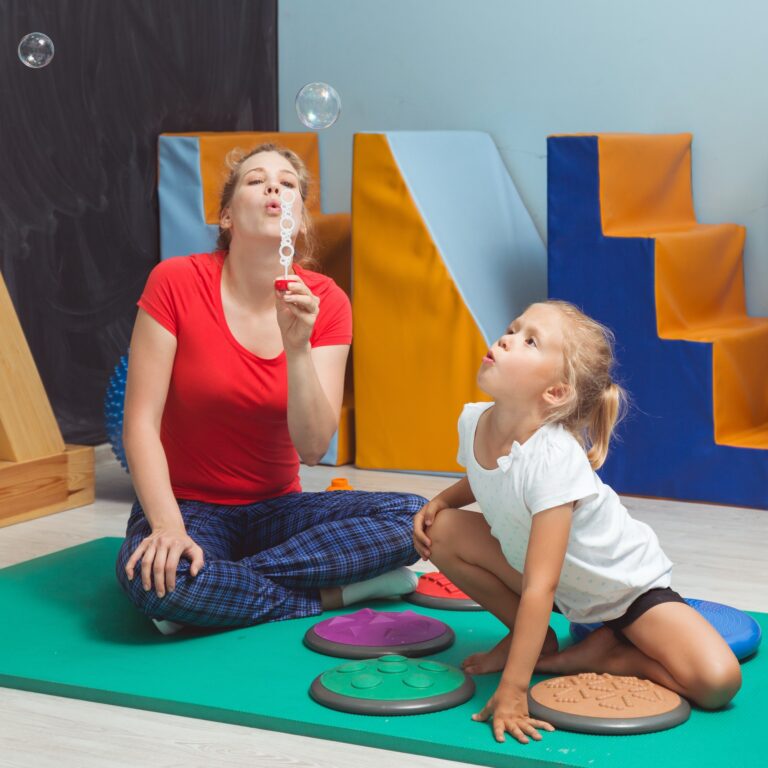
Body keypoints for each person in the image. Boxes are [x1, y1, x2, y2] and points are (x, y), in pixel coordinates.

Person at [116, 143, 424, 633]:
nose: (274, 186)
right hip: (188, 506)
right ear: (226, 216)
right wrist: (169, 528)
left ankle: (208, 593)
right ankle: (331, 592)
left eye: (288, 184)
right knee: (156, 575)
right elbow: (139, 425)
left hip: (277, 511)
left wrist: (297, 346)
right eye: (256, 180)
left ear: (299, 221)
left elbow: (313, 448)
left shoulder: (326, 301)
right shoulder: (174, 281)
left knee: (418, 517)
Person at [413, 300, 741, 744]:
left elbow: (540, 587)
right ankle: (540, 640)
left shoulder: (554, 458)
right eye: (513, 328)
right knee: (442, 530)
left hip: (625, 592)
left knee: (718, 682)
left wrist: (514, 690)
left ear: (555, 392)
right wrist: (443, 499)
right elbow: (487, 474)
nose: (506, 338)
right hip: (563, 588)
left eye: (530, 341)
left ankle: (604, 654)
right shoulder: (474, 421)